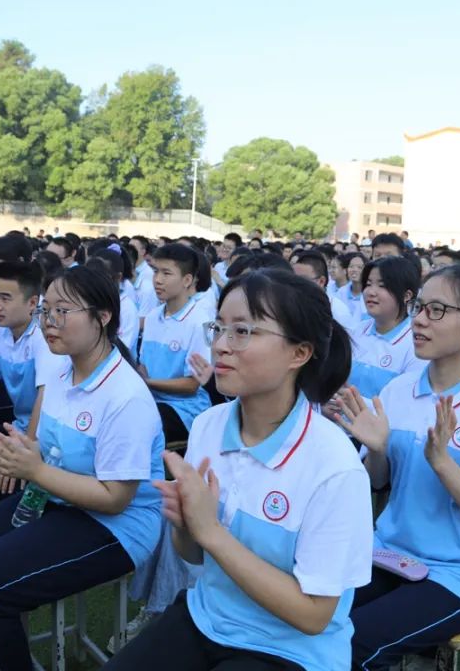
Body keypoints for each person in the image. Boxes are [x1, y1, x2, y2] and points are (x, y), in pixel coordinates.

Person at [105, 269, 372, 671]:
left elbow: (313, 615)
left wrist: (211, 532)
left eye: (243, 331)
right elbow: (192, 555)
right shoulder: (208, 427)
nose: (221, 346)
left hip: (288, 651)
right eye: (219, 328)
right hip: (206, 618)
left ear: (299, 353)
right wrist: (185, 525)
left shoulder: (335, 467)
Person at [0, 265, 163, 670]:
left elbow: (115, 499)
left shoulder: (127, 397)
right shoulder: (58, 369)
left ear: (103, 316)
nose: (49, 323)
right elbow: (41, 446)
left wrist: (32, 469)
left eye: (62, 312)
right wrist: (16, 452)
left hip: (114, 526)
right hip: (56, 497)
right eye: (45, 312)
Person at [337, 264, 460, 669]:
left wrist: (443, 464)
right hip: (389, 553)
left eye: (438, 311)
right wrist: (376, 449)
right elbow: (380, 482)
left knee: (354, 644)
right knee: (318, 621)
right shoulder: (399, 391)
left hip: (459, 575)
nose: (421, 321)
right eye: (421, 307)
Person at [138, 243, 211, 445]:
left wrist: (148, 383)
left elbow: (191, 385)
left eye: (166, 273)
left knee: (138, 423)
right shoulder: (153, 318)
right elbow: (143, 365)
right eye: (155, 272)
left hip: (184, 409)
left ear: (187, 280)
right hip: (151, 399)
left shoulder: (200, 322)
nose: (157, 280)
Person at [0, 261, 55, 438]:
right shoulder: (1, 329)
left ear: (32, 302)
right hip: (20, 425)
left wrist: (27, 449)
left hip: (45, 435)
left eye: (5, 298)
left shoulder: (44, 335)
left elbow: (44, 398)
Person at [343, 256, 423, 401]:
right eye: (368, 284)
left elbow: (406, 405)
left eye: (382, 286)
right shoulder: (357, 331)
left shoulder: (416, 343)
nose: (371, 292)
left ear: (407, 295)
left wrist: (350, 403)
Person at [291, 251, 354, 330]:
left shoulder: (337, 310)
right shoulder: (291, 305)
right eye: (294, 280)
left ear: (321, 281)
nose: (297, 285)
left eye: (303, 280)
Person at [336, 253, 367, 324]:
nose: (354, 270)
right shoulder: (340, 293)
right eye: (351, 266)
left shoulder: (369, 293)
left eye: (359, 267)